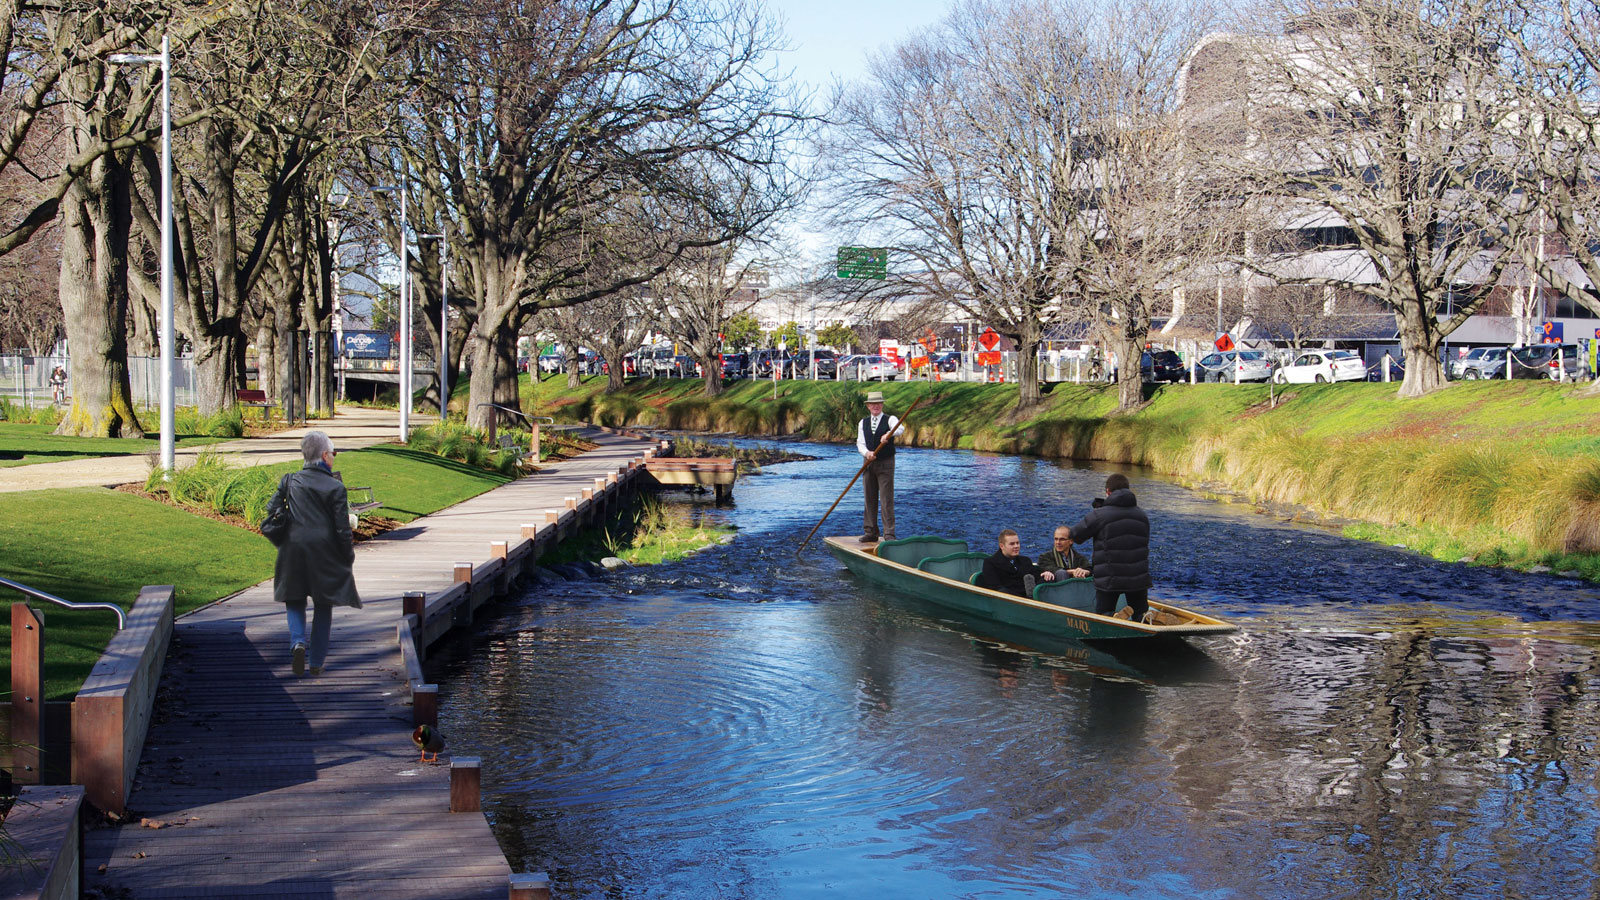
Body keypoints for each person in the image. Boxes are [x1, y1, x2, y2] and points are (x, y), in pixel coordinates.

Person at [270, 431, 361, 676]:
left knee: (295, 599)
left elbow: (272, 509)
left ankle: (298, 641)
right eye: (334, 453)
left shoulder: (289, 480)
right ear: (323, 455)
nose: (334, 457)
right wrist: (347, 554)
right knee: (323, 605)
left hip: (293, 548)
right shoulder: (335, 487)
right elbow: (342, 528)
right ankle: (317, 663)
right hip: (325, 551)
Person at [1068, 473, 1151, 620]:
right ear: (1129, 490)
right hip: (1138, 579)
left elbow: (1075, 535)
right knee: (1141, 615)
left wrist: (1097, 510)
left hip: (1109, 578)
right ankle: (1145, 633)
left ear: (1107, 492)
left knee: (1105, 616)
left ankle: (1108, 634)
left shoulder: (1100, 515)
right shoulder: (1142, 515)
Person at [856, 390, 899, 543]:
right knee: (869, 497)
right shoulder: (863, 423)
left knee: (886, 498)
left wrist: (889, 434)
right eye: (873, 404)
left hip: (886, 463)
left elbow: (900, 429)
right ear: (868, 406)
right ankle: (871, 532)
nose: (876, 406)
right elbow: (860, 443)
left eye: (878, 403)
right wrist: (867, 453)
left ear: (882, 404)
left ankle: (889, 534)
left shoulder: (890, 420)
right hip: (868, 463)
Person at [977, 529, 1055, 598]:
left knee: (1048, 579)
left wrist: (1046, 574)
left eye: (1017, 543)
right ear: (1002, 546)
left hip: (1030, 599)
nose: (1016, 546)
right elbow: (995, 588)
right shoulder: (990, 563)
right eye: (1012, 544)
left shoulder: (1025, 561)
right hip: (1009, 602)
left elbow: (1037, 576)